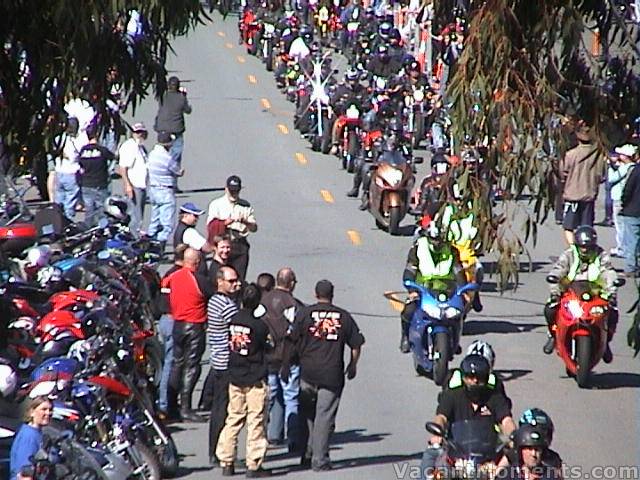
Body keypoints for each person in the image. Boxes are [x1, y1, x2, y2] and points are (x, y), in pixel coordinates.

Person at [286, 280, 365, 471]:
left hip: (308, 372)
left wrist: (287, 363)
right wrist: (352, 365)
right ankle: (319, 460)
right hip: (331, 374)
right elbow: (356, 344)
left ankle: (307, 453)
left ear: (315, 294)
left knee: (307, 415)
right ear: (332, 295)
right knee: (324, 416)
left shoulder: (305, 313)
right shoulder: (344, 316)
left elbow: (291, 339)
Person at [421, 354, 516, 480]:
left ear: (486, 378)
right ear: (464, 378)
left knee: (513, 467)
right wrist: (438, 432)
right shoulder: (453, 395)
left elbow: (506, 420)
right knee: (430, 456)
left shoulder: (495, 398)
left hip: (488, 458)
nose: (475, 381)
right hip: (455, 455)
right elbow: (441, 417)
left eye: (479, 378)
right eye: (470, 377)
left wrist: (513, 436)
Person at [215, 284, 273, 478]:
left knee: (233, 418)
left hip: (235, 376)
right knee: (256, 420)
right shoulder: (259, 325)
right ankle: (253, 464)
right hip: (254, 377)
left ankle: (226, 461)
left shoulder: (233, 320)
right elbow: (267, 346)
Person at [542, 225, 619, 362]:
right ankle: (553, 336)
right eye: (582, 246)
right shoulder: (568, 254)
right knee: (550, 309)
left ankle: (606, 341)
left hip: (595, 292)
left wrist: (612, 289)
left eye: (588, 247)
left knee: (612, 312)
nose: (585, 249)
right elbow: (558, 269)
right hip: (571, 290)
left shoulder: (601, 255)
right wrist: (555, 287)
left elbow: (608, 272)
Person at [164, 248, 214, 422]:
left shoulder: (173, 277)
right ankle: (185, 407)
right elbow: (213, 294)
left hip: (177, 324)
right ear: (197, 262)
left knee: (177, 364)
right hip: (195, 325)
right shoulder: (199, 280)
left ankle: (171, 405)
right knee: (191, 366)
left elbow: (164, 289)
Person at [399, 222, 465, 353]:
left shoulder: (452, 251)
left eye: (439, 240)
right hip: (422, 290)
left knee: (459, 312)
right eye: (433, 240)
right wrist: (412, 290)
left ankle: (454, 341)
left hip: (447, 291)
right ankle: (405, 337)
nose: (436, 243)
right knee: (408, 310)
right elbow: (410, 270)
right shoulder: (417, 248)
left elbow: (459, 272)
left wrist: (463, 290)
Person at [261, 267, 303, 451]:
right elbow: (295, 331)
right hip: (288, 358)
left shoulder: (264, 300)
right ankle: (293, 438)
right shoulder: (292, 303)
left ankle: (262, 436)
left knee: (267, 399)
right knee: (291, 397)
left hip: (268, 357)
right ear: (291, 283)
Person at [207, 266, 241, 467]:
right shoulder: (225, 305)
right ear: (220, 282)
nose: (236, 284)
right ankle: (219, 451)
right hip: (225, 363)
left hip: (218, 362)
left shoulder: (217, 301)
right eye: (231, 281)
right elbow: (238, 328)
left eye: (236, 280)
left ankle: (217, 450)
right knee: (223, 410)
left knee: (221, 408)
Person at [157, 243, 187, 421]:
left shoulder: (168, 274)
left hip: (165, 318)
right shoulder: (178, 276)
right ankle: (164, 404)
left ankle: (166, 403)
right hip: (172, 319)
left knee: (170, 362)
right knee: (171, 363)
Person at [206, 175, 258, 281]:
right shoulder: (216, 204)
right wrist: (225, 223)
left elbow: (254, 228)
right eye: (231, 191)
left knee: (238, 279)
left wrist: (244, 221)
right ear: (226, 189)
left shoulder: (245, 205)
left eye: (236, 191)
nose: (234, 194)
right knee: (221, 278)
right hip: (224, 245)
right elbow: (210, 225)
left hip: (239, 244)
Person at [560, 125, 604, 245]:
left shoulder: (570, 155)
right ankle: (586, 246)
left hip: (572, 195)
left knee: (568, 226)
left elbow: (562, 172)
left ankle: (573, 249)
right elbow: (602, 175)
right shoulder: (598, 155)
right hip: (589, 195)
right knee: (586, 225)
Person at [147, 131, 184, 251]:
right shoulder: (167, 158)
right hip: (165, 190)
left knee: (155, 219)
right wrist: (181, 172)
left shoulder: (152, 154)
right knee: (166, 224)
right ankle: (159, 247)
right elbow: (177, 171)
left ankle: (149, 241)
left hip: (153, 189)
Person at [78, 124, 115, 225]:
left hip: (86, 184)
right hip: (100, 184)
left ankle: (88, 229)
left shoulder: (83, 150)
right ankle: (102, 230)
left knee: (89, 210)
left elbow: (80, 165)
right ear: (97, 135)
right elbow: (113, 158)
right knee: (102, 210)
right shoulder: (102, 150)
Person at [9, 396, 53, 480]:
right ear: (32, 412)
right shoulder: (29, 436)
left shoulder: (36, 432)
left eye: (50, 410)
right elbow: (25, 472)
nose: (48, 413)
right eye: (43, 409)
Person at [498, 425, 562, 479]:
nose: (533, 454)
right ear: (520, 451)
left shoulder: (551, 476)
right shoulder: (507, 475)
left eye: (537, 450)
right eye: (529, 449)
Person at [53, 117, 87, 221]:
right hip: (71, 172)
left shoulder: (59, 138)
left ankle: (56, 219)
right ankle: (67, 220)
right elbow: (78, 155)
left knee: (59, 197)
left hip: (59, 171)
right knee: (70, 199)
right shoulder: (78, 141)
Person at [118, 122, 149, 235]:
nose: (139, 135)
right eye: (137, 132)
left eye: (141, 132)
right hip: (134, 185)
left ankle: (135, 235)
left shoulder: (140, 147)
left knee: (138, 215)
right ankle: (133, 239)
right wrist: (127, 185)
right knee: (134, 217)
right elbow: (122, 168)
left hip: (141, 185)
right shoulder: (129, 146)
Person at [154, 76, 192, 166]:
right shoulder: (181, 98)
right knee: (177, 148)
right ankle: (173, 166)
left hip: (162, 127)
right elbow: (188, 110)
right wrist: (184, 96)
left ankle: (161, 164)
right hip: (176, 129)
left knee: (161, 148)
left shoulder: (163, 96)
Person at [607, 144, 637, 258]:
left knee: (620, 225)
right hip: (624, 199)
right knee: (623, 225)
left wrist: (610, 166)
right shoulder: (632, 167)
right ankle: (624, 247)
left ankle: (621, 248)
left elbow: (611, 178)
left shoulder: (625, 168)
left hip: (619, 198)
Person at [174, 202, 214, 276]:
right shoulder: (190, 232)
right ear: (185, 216)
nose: (197, 219)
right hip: (195, 271)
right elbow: (207, 248)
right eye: (195, 216)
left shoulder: (179, 229)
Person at [620, 153, 640, 276]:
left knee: (631, 240)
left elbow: (628, 189)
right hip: (633, 209)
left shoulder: (636, 170)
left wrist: (624, 202)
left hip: (632, 210)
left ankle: (631, 267)